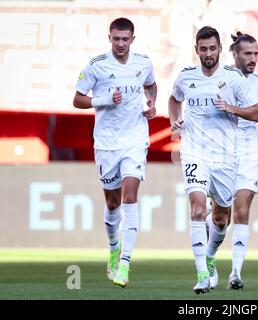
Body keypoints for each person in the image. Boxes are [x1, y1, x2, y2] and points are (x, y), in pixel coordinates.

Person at [168, 26, 258, 294]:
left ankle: (210, 257)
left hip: (225, 158)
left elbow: (255, 113)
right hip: (195, 153)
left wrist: (230, 108)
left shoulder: (233, 79)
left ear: (220, 49)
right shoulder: (186, 77)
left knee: (221, 219)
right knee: (197, 209)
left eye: (212, 48)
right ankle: (201, 276)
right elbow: (174, 100)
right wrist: (175, 120)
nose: (208, 53)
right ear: (196, 49)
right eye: (203, 48)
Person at [73, 17, 157, 288]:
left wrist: (151, 102)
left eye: (125, 39)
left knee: (130, 196)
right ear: (109, 38)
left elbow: (151, 85)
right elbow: (77, 99)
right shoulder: (97, 66)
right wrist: (104, 100)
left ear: (133, 39)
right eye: (116, 39)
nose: (120, 44)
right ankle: (113, 247)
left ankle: (125, 264)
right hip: (107, 143)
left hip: (135, 138)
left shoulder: (143, 63)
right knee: (112, 203)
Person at [222, 32, 258, 290]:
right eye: (248, 53)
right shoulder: (221, 78)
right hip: (219, 152)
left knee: (242, 209)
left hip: (248, 153)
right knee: (220, 217)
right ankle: (209, 263)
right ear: (235, 54)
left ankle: (236, 272)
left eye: (256, 53)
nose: (253, 58)